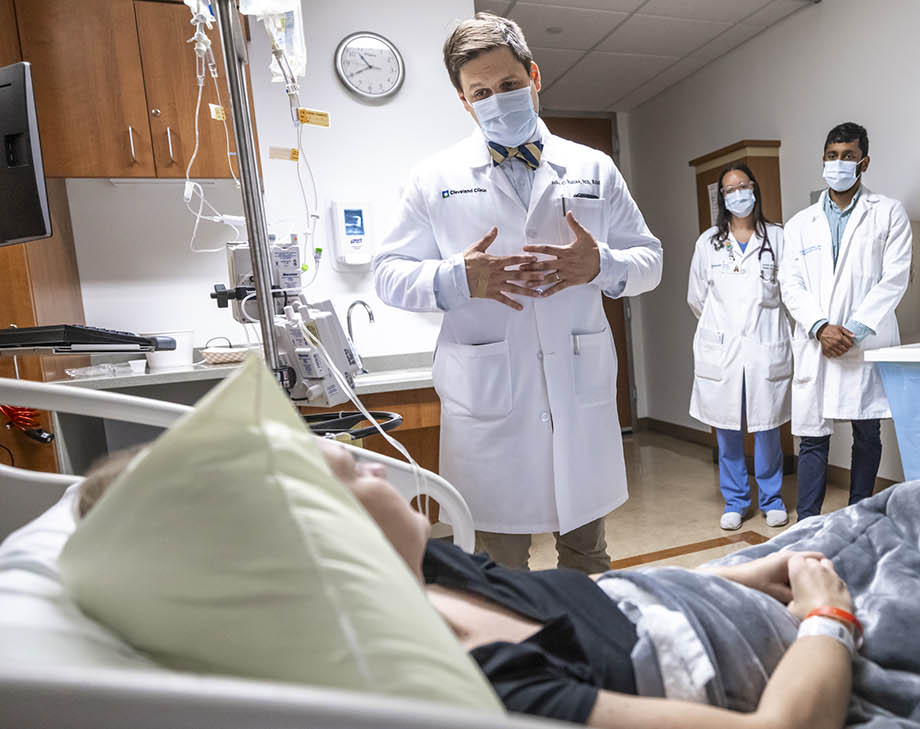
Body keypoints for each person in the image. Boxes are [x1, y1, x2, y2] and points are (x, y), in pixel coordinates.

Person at [77, 442, 859, 729]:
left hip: (715, 591)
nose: (379, 465)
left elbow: (589, 598)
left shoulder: (423, 565)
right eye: (354, 469)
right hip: (791, 646)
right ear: (318, 537)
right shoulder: (467, 685)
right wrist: (826, 614)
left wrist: (737, 571)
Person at [373, 13, 663, 573]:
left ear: (534, 76)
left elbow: (649, 261)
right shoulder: (433, 177)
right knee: (499, 566)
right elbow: (388, 273)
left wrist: (599, 265)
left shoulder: (593, 167)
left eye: (508, 85)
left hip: (576, 394)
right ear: (463, 102)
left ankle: (590, 654)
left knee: (587, 557)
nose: (497, 100)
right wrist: (460, 278)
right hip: (490, 402)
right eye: (481, 92)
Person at [778, 123, 912, 521]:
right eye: (832, 156)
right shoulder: (800, 223)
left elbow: (895, 277)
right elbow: (791, 282)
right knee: (812, 437)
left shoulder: (888, 212)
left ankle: (859, 517)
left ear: (864, 162)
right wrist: (820, 327)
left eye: (848, 156)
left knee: (867, 431)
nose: (839, 163)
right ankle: (808, 523)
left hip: (863, 341)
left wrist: (853, 329)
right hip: (817, 339)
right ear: (823, 160)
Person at [687, 163, 792, 531]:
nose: (737, 194)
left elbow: (789, 291)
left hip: (764, 345)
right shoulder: (708, 243)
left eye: (742, 186)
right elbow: (697, 298)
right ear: (722, 198)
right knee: (727, 427)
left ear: (755, 189)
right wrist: (725, 328)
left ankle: (772, 498)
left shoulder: (777, 238)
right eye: (729, 190)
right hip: (724, 348)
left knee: (766, 428)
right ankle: (735, 500)